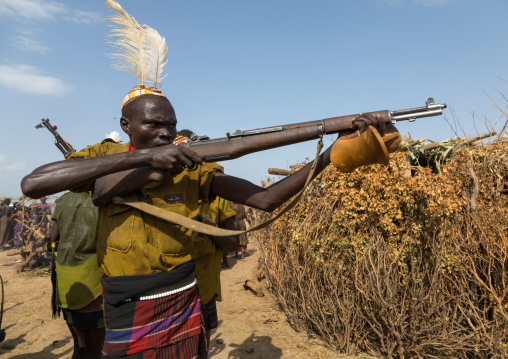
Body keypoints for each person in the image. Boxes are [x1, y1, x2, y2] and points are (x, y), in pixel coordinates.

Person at [20, 2, 385, 357]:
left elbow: (265, 200)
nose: (165, 133)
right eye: (153, 125)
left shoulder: (192, 165)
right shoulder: (104, 156)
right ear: (126, 127)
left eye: (171, 126)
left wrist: (329, 155)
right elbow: (34, 184)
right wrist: (148, 158)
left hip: (184, 291)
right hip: (126, 297)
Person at [175, 130, 238, 349]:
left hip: (202, 288)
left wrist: (207, 227)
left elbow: (231, 242)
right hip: (168, 290)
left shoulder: (217, 193)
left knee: (200, 346)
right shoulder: (162, 190)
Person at [50, 191, 105, 359]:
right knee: (94, 352)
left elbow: (51, 238)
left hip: (66, 281)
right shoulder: (102, 198)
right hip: (92, 281)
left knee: (80, 347)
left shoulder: (64, 200)